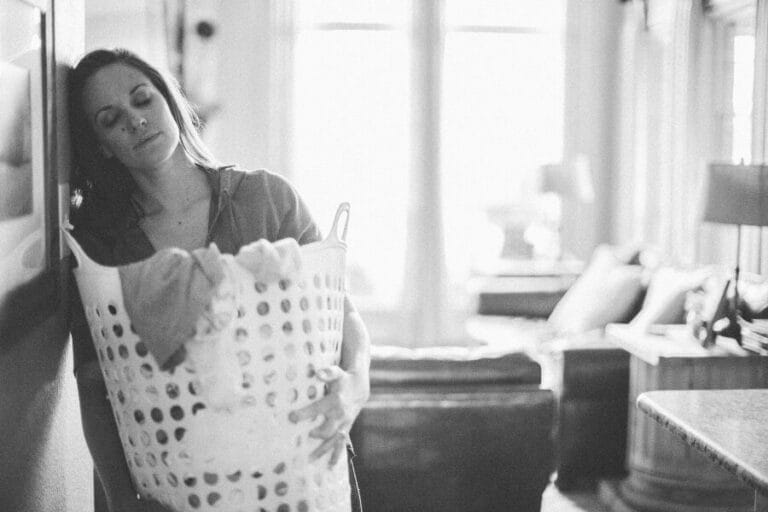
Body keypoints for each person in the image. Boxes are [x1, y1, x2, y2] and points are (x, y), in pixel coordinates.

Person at [67, 48, 370, 512]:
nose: (135, 120)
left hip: (299, 473)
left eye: (143, 99)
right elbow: (95, 385)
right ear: (103, 145)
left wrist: (356, 386)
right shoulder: (103, 250)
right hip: (182, 488)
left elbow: (342, 313)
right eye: (110, 119)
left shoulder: (266, 199)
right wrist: (120, 502)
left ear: (169, 102)